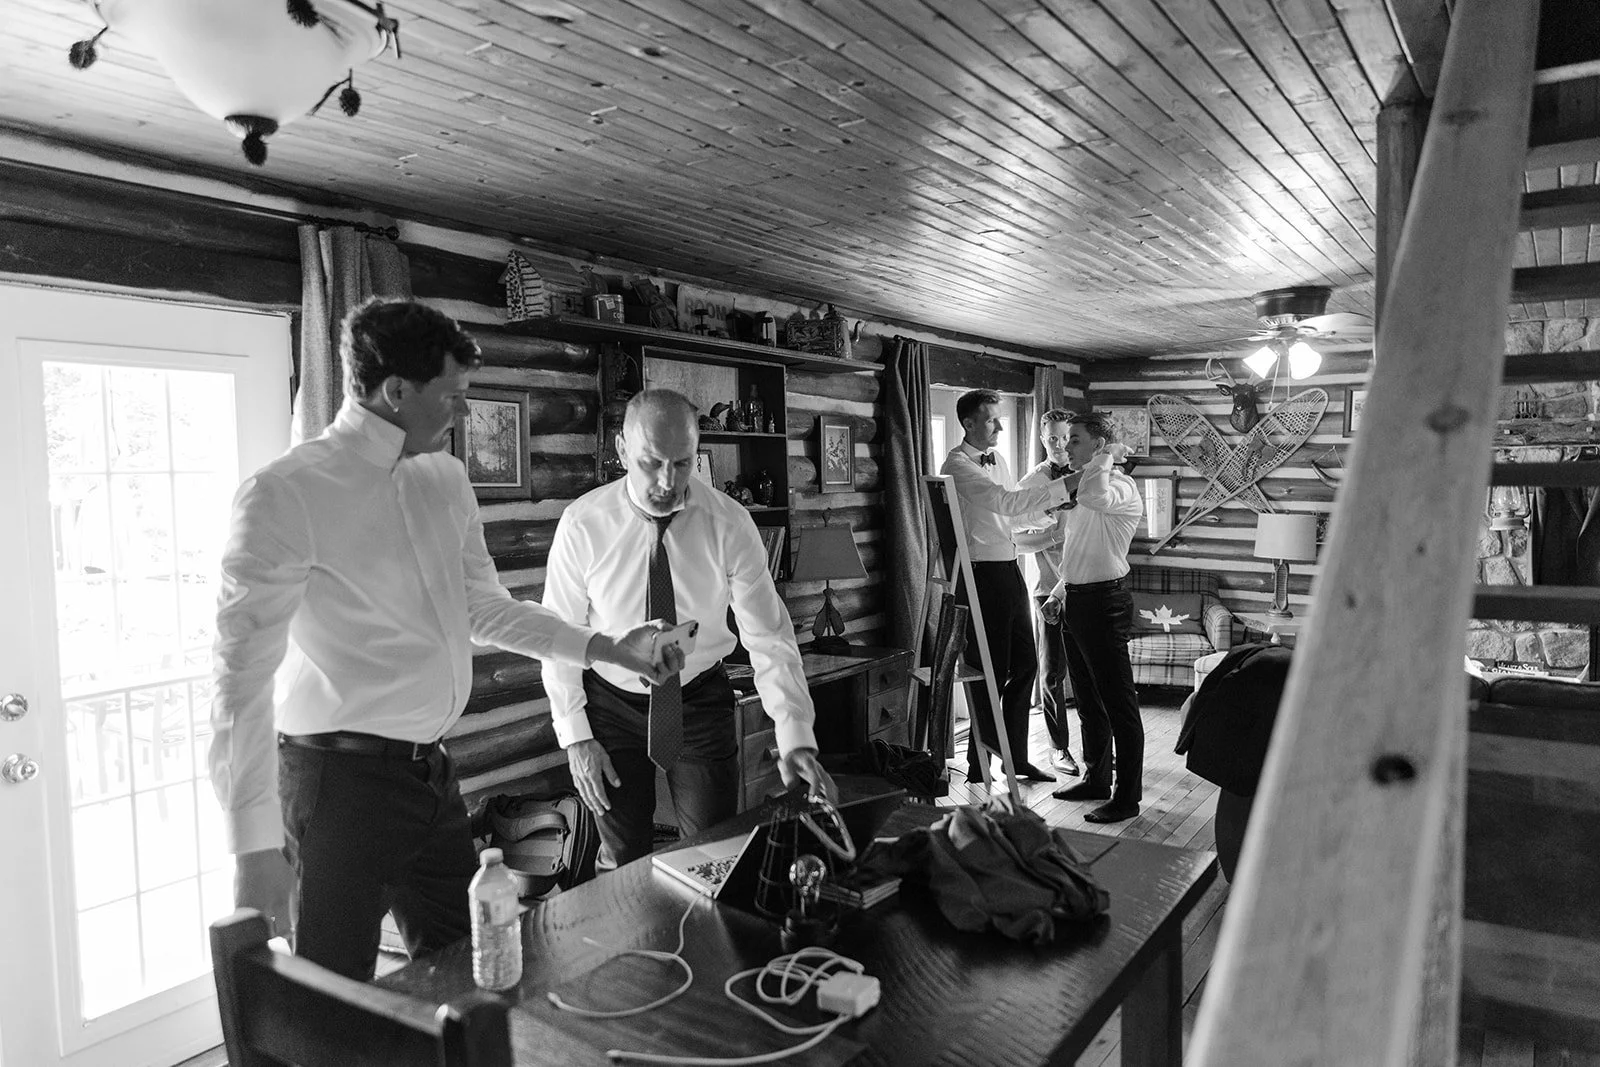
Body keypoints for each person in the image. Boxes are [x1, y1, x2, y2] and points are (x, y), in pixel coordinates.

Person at [209, 299, 681, 982]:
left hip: (430, 778)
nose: (464, 413)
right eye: (453, 396)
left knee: (475, 969)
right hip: (332, 788)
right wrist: (252, 848)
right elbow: (238, 677)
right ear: (396, 391)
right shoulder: (285, 493)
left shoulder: (446, 478)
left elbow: (483, 608)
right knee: (327, 1002)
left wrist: (609, 648)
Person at [542, 389, 837, 869]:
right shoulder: (583, 524)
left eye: (682, 463)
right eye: (651, 462)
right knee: (623, 858)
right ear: (621, 450)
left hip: (698, 699)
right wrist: (575, 736)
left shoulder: (730, 523)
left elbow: (768, 636)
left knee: (712, 856)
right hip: (610, 704)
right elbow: (559, 637)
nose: (667, 480)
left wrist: (795, 736)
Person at [940, 390, 1076, 785]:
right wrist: (1065, 488)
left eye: (1000, 419)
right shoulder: (958, 465)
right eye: (991, 420)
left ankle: (1014, 757)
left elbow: (1011, 517)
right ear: (968, 424)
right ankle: (978, 763)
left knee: (1027, 666)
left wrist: (1047, 515)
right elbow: (1003, 501)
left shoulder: (996, 459)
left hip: (1009, 570)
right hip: (981, 577)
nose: (1000, 426)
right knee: (991, 671)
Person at [1039, 411, 1146, 823]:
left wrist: (1108, 457)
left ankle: (1127, 797)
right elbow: (1079, 549)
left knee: (1118, 703)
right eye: (1066, 440)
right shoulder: (1086, 488)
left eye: (1076, 440)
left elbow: (1097, 497)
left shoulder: (1120, 486)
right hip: (1077, 601)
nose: (1066, 446)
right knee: (1086, 700)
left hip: (1106, 603)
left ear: (1099, 445)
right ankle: (1096, 779)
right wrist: (1059, 591)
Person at [1015, 409, 1083, 778]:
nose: (1059, 446)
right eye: (1052, 439)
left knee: (1087, 670)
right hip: (1047, 588)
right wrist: (1054, 535)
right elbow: (1016, 540)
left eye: (1065, 438)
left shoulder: (1087, 475)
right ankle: (1059, 749)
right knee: (1052, 672)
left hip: (1083, 586)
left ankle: (1098, 752)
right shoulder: (1032, 483)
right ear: (1043, 440)